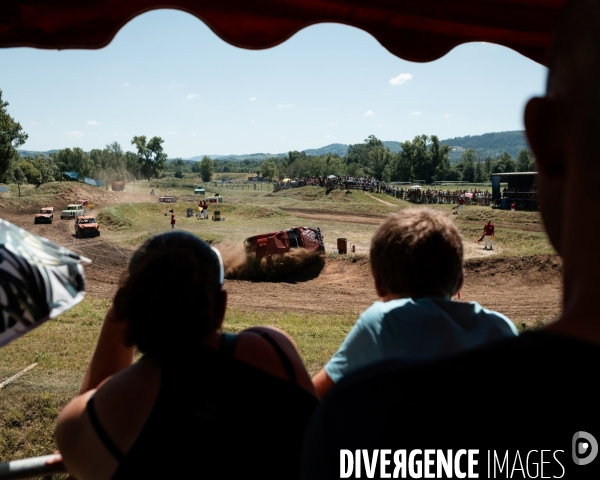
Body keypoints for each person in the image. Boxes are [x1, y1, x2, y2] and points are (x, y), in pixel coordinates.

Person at [301, 2, 600, 477]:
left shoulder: (358, 395)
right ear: (460, 278)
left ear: (544, 134)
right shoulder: (499, 328)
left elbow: (310, 401)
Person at [55, 232, 318, 480]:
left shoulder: (104, 413)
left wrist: (121, 310)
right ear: (221, 306)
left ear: (128, 309)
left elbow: (82, 434)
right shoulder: (272, 348)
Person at [311, 208, 517, 398]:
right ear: (460, 281)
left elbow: (313, 394)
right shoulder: (500, 329)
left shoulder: (381, 324)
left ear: (378, 284)